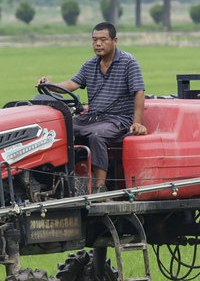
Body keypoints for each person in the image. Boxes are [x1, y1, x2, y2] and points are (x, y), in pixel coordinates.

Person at [38, 22, 147, 191]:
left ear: (114, 40)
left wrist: (137, 122)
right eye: (94, 40)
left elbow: (139, 92)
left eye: (103, 39)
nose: (98, 44)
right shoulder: (90, 65)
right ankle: (58, 182)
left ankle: (99, 188)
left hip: (118, 120)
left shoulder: (128, 62)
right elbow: (71, 83)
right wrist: (51, 85)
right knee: (59, 128)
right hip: (93, 117)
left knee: (97, 136)